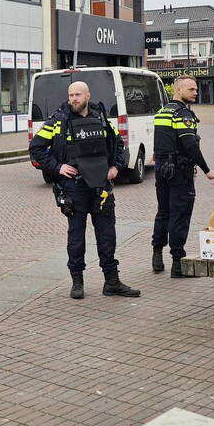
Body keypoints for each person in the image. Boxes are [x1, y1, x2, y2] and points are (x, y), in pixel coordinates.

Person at [29, 80, 140, 300]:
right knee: (76, 237)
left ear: (87, 95)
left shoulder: (101, 118)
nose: (74, 99)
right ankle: (77, 282)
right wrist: (59, 167)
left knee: (107, 235)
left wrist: (115, 167)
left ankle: (112, 282)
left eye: (78, 94)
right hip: (74, 188)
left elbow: (119, 144)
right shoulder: (58, 120)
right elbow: (36, 149)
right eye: (71, 95)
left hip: (101, 187)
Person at [151, 75, 214, 278]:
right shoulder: (183, 115)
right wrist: (206, 169)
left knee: (163, 212)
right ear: (178, 90)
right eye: (191, 89)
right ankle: (178, 264)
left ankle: (157, 254)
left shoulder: (162, 112)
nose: (195, 93)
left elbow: (160, 141)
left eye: (196, 89)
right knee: (179, 215)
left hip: (162, 170)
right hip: (180, 172)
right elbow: (190, 145)